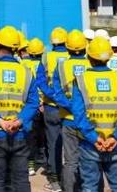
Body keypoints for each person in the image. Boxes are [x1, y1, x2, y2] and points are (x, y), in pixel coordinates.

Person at [71, 36, 117, 192]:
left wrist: (95, 139)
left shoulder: (81, 80)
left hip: (90, 144)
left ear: (88, 57)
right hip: (116, 144)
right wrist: (116, 137)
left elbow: (78, 115)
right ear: (109, 57)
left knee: (89, 186)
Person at [0, 26, 39, 192]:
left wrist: (0, 122)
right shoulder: (26, 72)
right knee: (21, 180)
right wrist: (19, 121)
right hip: (20, 133)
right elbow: (33, 102)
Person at [52, 29, 90, 192]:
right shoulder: (92, 64)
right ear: (85, 47)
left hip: (69, 119)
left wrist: (70, 105)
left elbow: (57, 92)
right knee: (89, 158)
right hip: (89, 119)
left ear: (67, 48)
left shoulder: (61, 67)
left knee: (70, 160)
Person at [42, 26, 70, 192]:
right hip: (71, 108)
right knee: (73, 144)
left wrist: (52, 95)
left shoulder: (47, 56)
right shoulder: (71, 57)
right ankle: (72, 178)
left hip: (51, 106)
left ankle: (54, 179)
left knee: (53, 142)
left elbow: (40, 79)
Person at [21, 38, 47, 176]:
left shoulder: (23, 64)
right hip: (46, 104)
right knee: (46, 134)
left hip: (30, 104)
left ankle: (30, 164)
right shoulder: (45, 63)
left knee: (30, 135)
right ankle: (44, 160)